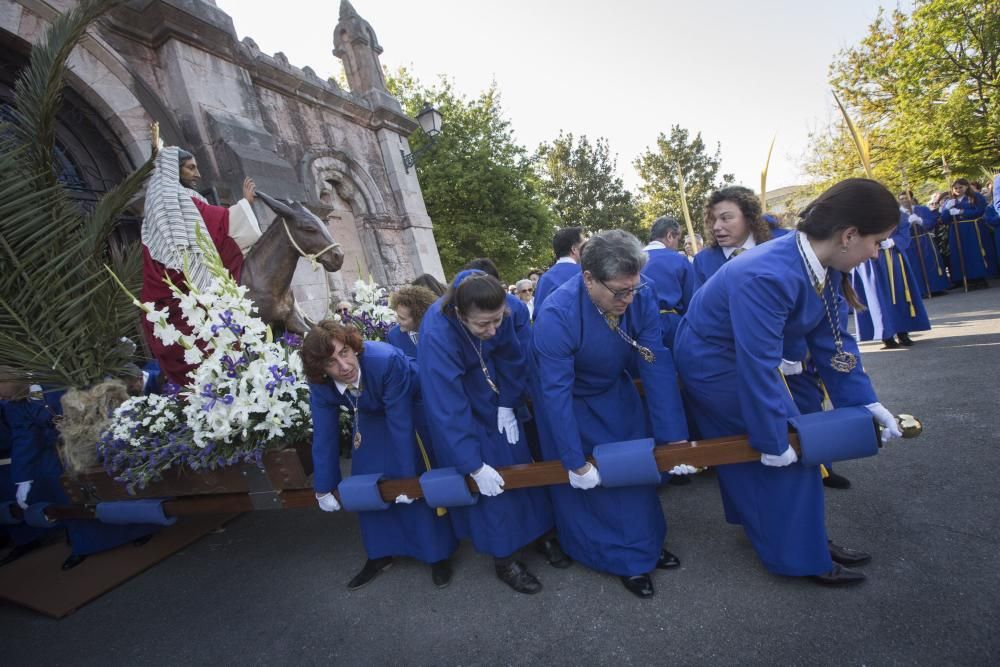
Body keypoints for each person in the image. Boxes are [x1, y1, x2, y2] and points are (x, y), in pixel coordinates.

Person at [673, 178, 904, 586]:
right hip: (713, 364)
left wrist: (864, 402)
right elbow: (757, 368)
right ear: (849, 235)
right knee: (794, 452)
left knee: (767, 451)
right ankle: (803, 556)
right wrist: (774, 440)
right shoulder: (766, 273)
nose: (876, 252)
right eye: (878, 241)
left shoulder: (823, 262)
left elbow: (833, 339)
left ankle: (784, 534)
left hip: (740, 358)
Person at [531, 230, 691, 598]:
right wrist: (573, 461)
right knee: (597, 485)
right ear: (588, 277)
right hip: (571, 401)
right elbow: (554, 393)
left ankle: (645, 546)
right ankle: (620, 559)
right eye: (619, 292)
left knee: (636, 475)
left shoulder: (640, 293)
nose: (628, 299)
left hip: (615, 391)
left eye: (633, 288)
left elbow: (656, 364)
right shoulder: (557, 315)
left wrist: (675, 439)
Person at [418, 271, 565, 594]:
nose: (493, 329)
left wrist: (508, 402)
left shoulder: (504, 307)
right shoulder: (437, 334)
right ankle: (505, 558)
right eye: (483, 325)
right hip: (465, 408)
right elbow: (446, 405)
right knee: (492, 483)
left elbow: (514, 356)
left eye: (497, 320)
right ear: (459, 313)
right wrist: (471, 464)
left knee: (523, 464)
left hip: (498, 395)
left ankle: (543, 534)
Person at [303, 322, 457, 590]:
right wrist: (324, 487)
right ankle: (380, 553)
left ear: (354, 347)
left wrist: (407, 482)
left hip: (411, 406)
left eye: (345, 352)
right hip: (370, 412)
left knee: (413, 474)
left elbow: (400, 425)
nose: (344, 366)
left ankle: (437, 554)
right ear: (320, 369)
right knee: (365, 477)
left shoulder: (384, 361)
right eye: (331, 362)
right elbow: (324, 434)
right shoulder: (320, 385)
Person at [0, 379, 158, 570]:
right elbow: (24, 437)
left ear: (9, 379)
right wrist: (23, 479)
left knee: (113, 485)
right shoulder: (14, 404)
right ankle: (85, 545)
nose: (1, 398)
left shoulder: (54, 379)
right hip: (61, 453)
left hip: (95, 437)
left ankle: (140, 528)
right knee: (69, 494)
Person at [140, 147, 262, 384]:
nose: (197, 174)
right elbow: (212, 226)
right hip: (177, 287)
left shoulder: (176, 196)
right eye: (190, 167)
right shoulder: (169, 198)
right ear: (173, 169)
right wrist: (244, 205)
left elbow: (205, 232)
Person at [692, 186, 771, 288]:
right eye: (712, 220)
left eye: (725, 218)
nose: (716, 227)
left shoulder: (778, 246)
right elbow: (701, 303)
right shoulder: (702, 261)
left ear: (749, 217)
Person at [641, 216, 695, 349]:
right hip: (671, 326)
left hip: (638, 324)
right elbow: (691, 300)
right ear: (670, 236)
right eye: (678, 239)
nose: (678, 244)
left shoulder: (631, 259)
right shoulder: (678, 260)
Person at [940, 178, 993, 289]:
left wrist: (962, 211)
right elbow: (944, 220)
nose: (958, 190)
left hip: (971, 228)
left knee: (974, 252)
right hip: (956, 230)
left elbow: (979, 210)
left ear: (966, 187)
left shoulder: (974, 197)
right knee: (960, 253)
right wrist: (946, 209)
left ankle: (979, 278)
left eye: (961, 187)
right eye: (956, 188)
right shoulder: (949, 201)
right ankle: (966, 278)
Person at [899, 191, 951, 296]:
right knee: (915, 266)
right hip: (910, 242)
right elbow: (896, 230)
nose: (904, 201)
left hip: (924, 240)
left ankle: (936, 288)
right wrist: (907, 224)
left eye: (906, 198)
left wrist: (920, 221)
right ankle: (920, 291)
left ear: (912, 199)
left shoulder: (922, 209)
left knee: (931, 263)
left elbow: (932, 223)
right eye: (902, 199)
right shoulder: (898, 214)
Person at [533, 226, 584, 318]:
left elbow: (538, 315)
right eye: (584, 246)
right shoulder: (587, 274)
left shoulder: (545, 278)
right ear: (574, 249)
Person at [387, 285, 438, 361]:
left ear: (419, 318)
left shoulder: (439, 332)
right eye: (397, 316)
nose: (397, 321)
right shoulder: (393, 336)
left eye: (402, 318)